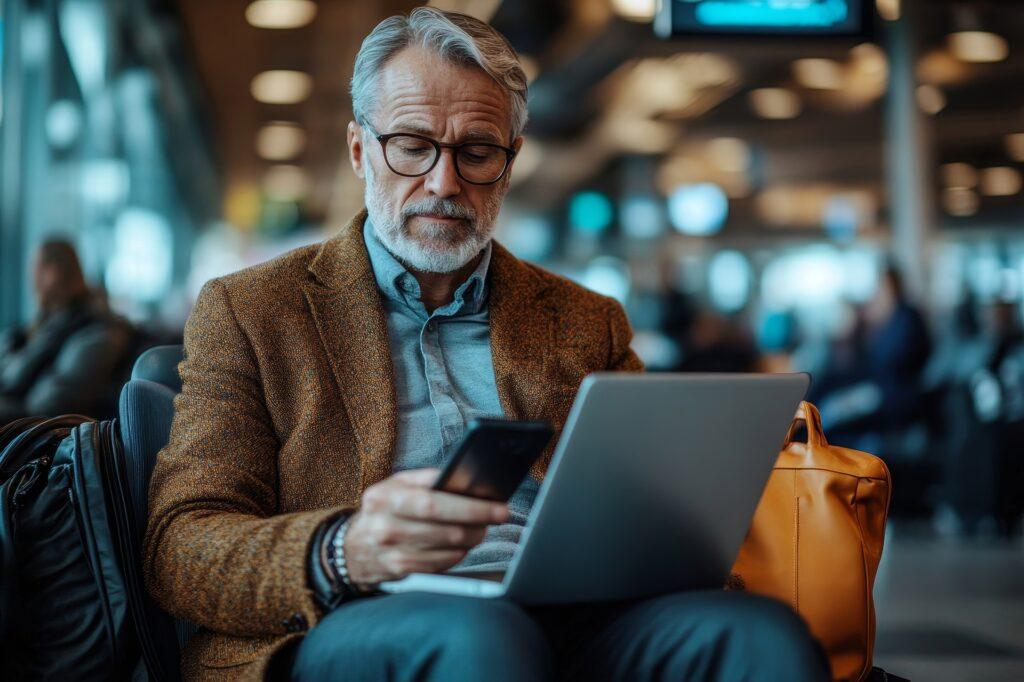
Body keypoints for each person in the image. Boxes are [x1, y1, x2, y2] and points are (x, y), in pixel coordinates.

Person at [143, 9, 828, 681]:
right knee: (484, 643)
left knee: (762, 636)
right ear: (359, 149)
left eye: (477, 152)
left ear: (511, 162)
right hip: (354, 613)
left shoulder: (587, 320)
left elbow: (655, 515)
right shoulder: (253, 311)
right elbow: (180, 547)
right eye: (411, 145)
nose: (445, 183)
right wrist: (344, 550)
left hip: (573, 617)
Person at [0, 239, 134, 424]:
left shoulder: (97, 331)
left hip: (43, 436)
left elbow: (49, 406)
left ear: (52, 272)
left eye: (35, 268)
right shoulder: (48, 324)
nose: (30, 278)